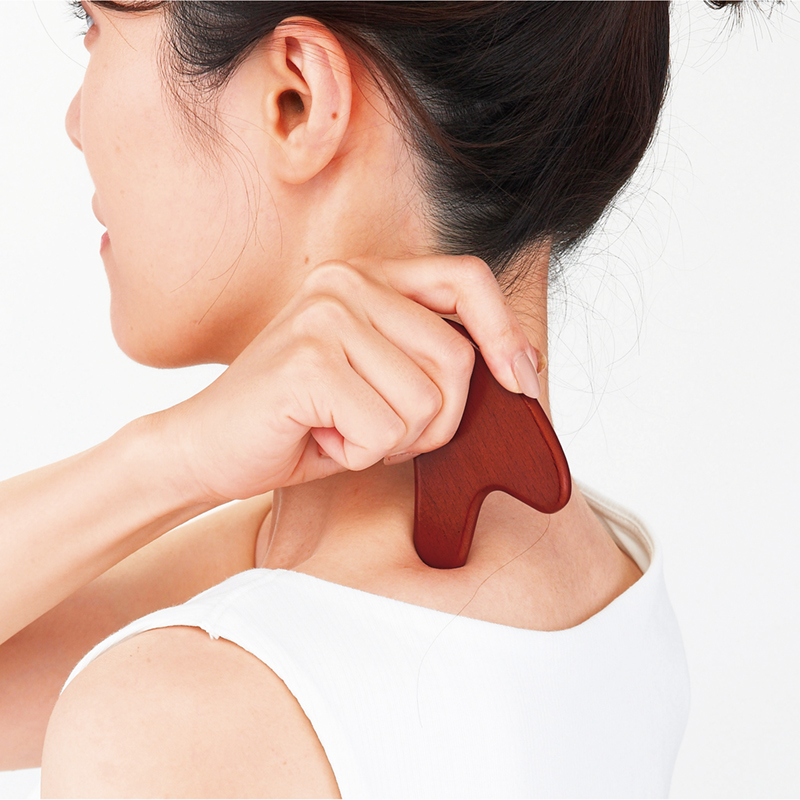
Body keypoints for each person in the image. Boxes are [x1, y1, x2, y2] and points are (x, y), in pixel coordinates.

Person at [0, 2, 703, 796]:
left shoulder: (177, 718)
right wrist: (175, 456)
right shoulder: (603, 567)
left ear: (294, 98)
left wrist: (167, 459)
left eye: (92, 23)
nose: (73, 121)